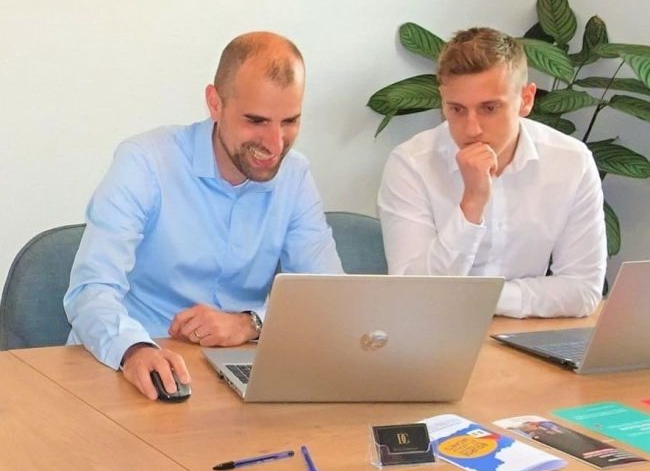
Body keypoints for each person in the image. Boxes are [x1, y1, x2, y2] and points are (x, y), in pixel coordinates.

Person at [64, 31, 342, 399]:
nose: (275, 145)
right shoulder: (146, 162)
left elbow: (328, 296)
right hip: (131, 365)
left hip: (237, 379)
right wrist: (133, 350)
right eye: (256, 121)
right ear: (215, 103)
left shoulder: (295, 175)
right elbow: (90, 289)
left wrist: (251, 324)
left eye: (289, 121)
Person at [378, 27, 606, 318]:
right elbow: (414, 294)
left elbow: (583, 290)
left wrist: (481, 299)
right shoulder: (411, 164)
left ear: (526, 99)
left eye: (489, 108)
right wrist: (471, 204)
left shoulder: (571, 161)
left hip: (527, 335)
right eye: (457, 110)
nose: (472, 129)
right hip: (435, 333)